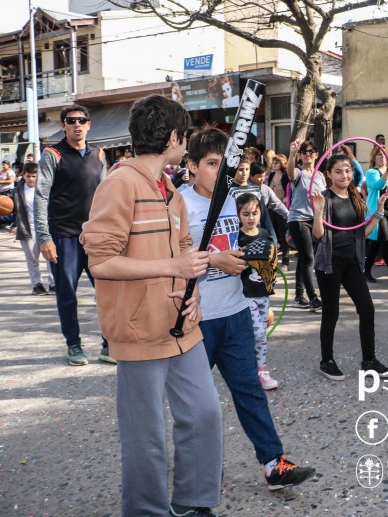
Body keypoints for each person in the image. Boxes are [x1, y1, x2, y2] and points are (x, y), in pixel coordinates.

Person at [80, 94, 223, 517]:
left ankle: (193, 503)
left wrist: (193, 290)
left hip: (182, 327)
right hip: (139, 332)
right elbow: (101, 262)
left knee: (204, 414)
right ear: (174, 138)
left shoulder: (171, 191)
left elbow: (184, 248)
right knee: (146, 436)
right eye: (186, 136)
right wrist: (172, 266)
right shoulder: (119, 184)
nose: (186, 143)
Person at [184, 126, 317, 491]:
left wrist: (259, 268)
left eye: (224, 164)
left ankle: (274, 463)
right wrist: (215, 261)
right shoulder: (180, 204)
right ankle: (199, 469)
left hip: (236, 312)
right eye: (211, 163)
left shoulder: (233, 200)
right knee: (198, 404)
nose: (220, 172)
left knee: (250, 392)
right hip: (198, 320)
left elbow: (247, 244)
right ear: (192, 165)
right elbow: (171, 258)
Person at [35, 104, 110, 366]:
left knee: (107, 292)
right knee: (67, 295)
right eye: (71, 121)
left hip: (95, 237)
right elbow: (41, 196)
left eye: (81, 120)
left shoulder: (99, 153)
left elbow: (106, 194)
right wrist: (44, 237)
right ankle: (74, 345)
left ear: (89, 124)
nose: (76, 124)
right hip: (63, 236)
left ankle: (109, 343)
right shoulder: (52, 154)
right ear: (63, 126)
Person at [311, 153, 388, 380]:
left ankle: (369, 361)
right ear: (329, 174)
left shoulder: (355, 196)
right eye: (338, 171)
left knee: (367, 309)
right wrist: (318, 213)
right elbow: (318, 236)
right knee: (331, 313)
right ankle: (326, 361)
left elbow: (361, 233)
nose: (344, 175)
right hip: (329, 262)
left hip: (352, 262)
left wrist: (378, 213)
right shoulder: (324, 198)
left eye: (347, 171)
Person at [235, 193, 279, 391]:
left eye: (255, 213)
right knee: (258, 332)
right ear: (238, 215)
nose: (251, 218)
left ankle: (260, 370)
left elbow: (270, 262)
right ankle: (250, 369)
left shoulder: (264, 234)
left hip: (262, 292)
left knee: (262, 335)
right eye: (246, 214)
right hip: (245, 293)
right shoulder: (236, 237)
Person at [287, 139, 324, 312]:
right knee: (309, 258)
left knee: (304, 258)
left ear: (316, 154)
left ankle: (299, 296)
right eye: (304, 152)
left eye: (311, 151)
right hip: (298, 219)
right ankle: (313, 298)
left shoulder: (320, 176)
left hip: (314, 220)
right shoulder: (299, 173)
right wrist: (292, 153)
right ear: (301, 156)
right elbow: (289, 173)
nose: (308, 154)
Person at [363, 146, 388, 288]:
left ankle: (366, 271)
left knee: (376, 244)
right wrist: (387, 172)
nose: (382, 157)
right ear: (374, 157)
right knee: (386, 244)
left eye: (384, 155)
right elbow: (378, 186)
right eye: (379, 154)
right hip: (379, 214)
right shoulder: (371, 172)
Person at [12, 162, 54, 295]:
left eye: (34, 176)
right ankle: (37, 284)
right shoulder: (16, 191)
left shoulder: (46, 188)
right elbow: (11, 208)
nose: (31, 179)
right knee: (32, 259)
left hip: (46, 228)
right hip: (27, 230)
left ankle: (54, 283)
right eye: (28, 176)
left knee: (51, 257)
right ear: (23, 175)